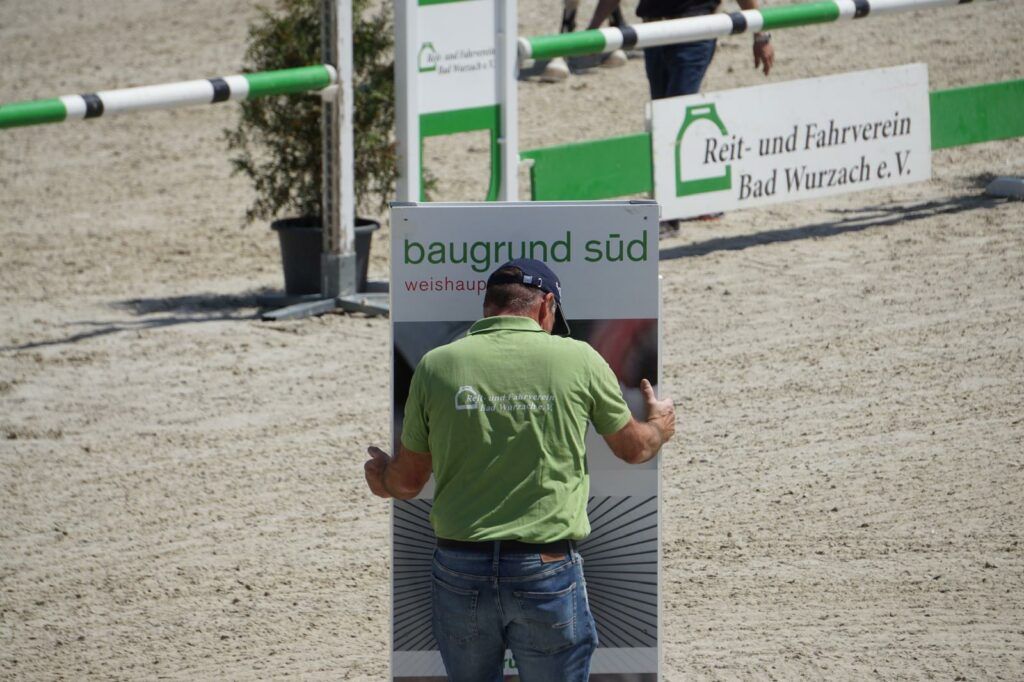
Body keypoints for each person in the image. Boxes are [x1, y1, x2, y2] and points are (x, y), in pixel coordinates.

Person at [365, 258, 676, 681]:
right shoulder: (579, 359)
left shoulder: (436, 365)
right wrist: (659, 426)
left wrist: (381, 476)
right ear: (546, 305)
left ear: (488, 305)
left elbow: (407, 482)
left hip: (460, 566)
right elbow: (634, 450)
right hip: (545, 566)